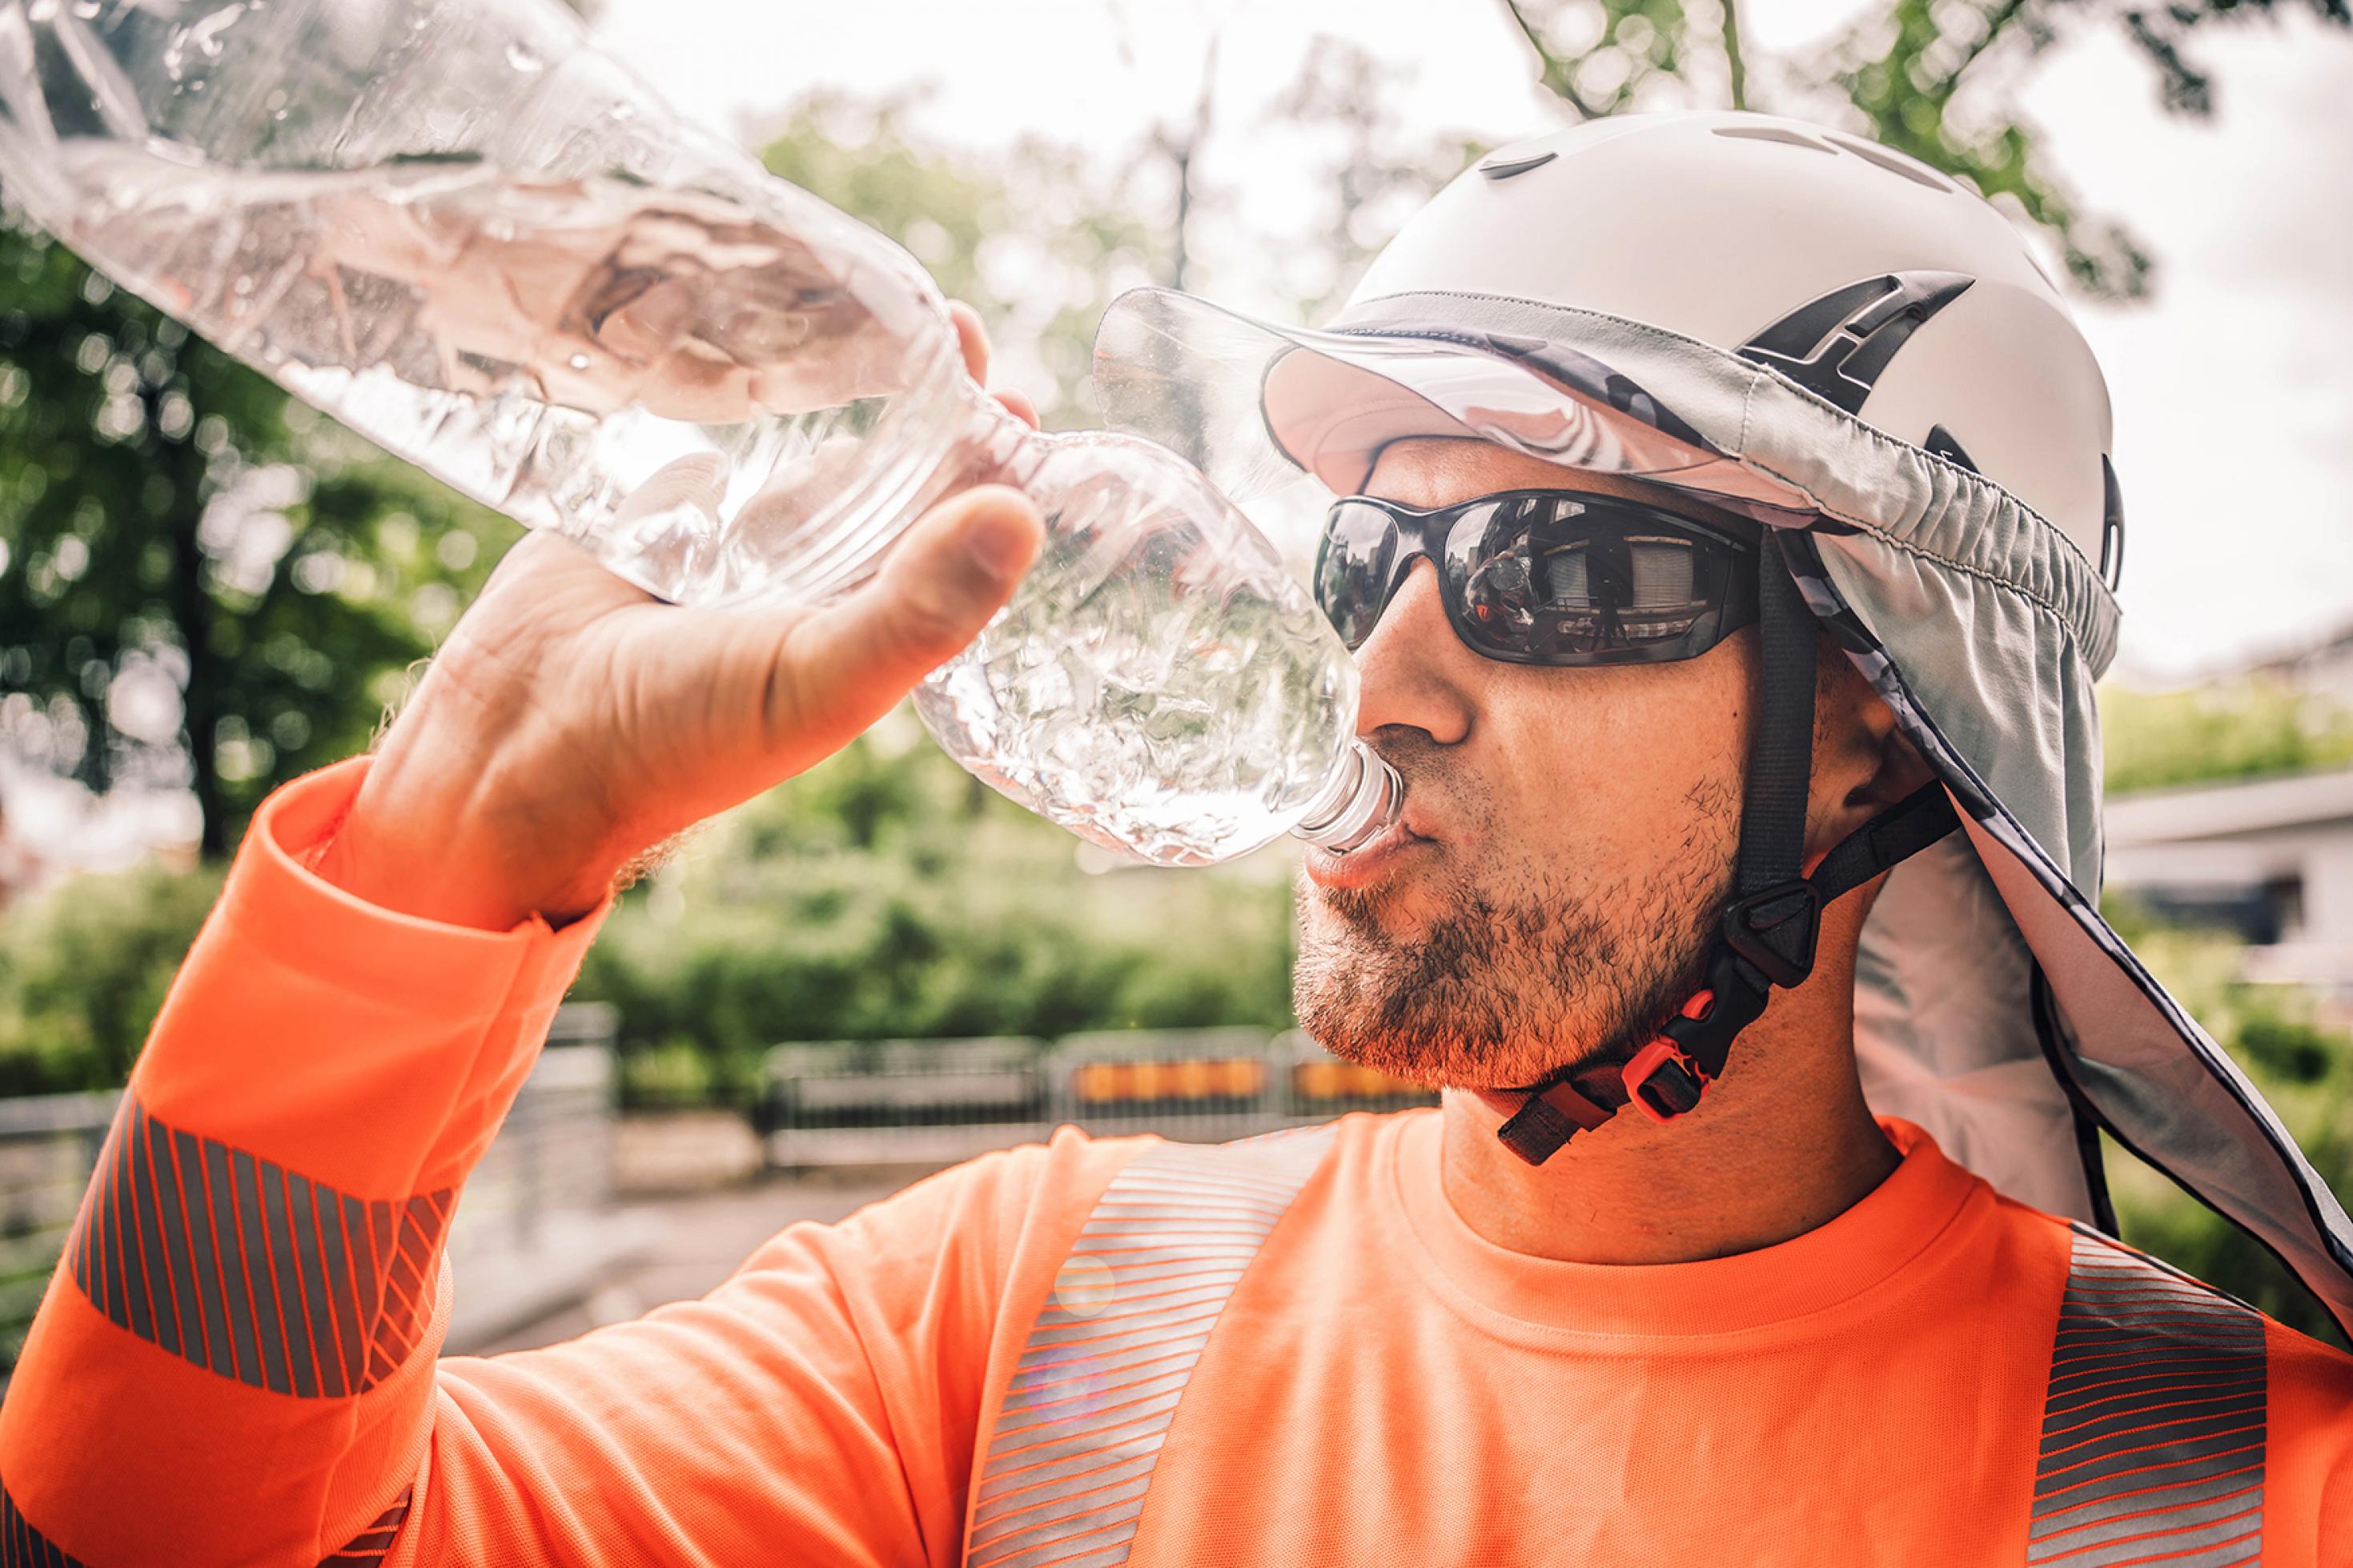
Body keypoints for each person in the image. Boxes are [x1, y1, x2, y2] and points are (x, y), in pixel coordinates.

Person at [3, 110, 2349, 1568]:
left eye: (1549, 567)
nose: (1388, 674)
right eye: (1364, 560)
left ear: (1876, 716)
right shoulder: (1019, 1328)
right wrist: (445, 843)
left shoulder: (2247, 1494)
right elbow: (153, 1544)